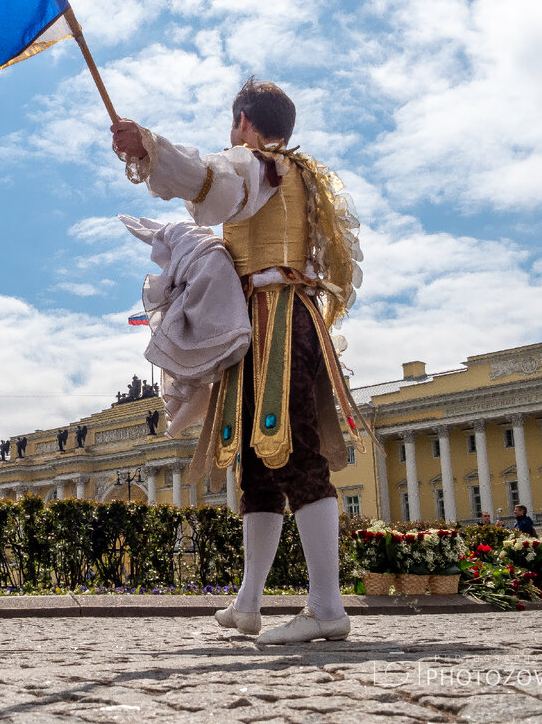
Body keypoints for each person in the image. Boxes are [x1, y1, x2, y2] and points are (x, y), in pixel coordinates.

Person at [112, 78, 370, 645]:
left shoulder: (260, 164)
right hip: (272, 317)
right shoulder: (302, 176)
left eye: (233, 126)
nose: (231, 137)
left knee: (293, 452)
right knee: (258, 466)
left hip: (272, 317)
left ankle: (327, 607)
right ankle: (248, 603)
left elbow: (211, 182)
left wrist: (149, 146)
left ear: (245, 123)